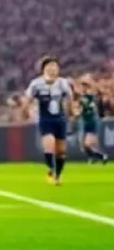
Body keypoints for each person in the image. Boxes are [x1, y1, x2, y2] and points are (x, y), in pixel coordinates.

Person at [26, 56, 74, 185]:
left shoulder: (62, 83)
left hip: (60, 119)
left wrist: (71, 112)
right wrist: (26, 111)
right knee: (49, 146)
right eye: (49, 67)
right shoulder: (36, 84)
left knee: (61, 151)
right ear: (43, 69)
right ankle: (52, 171)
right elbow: (28, 98)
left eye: (55, 67)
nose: (53, 69)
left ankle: (57, 174)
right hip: (45, 119)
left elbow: (69, 98)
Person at [75, 79, 108, 164]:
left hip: (92, 121)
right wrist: (78, 112)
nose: (82, 88)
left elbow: (92, 107)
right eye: (81, 87)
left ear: (88, 87)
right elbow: (79, 109)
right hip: (84, 121)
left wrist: (82, 111)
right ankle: (94, 157)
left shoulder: (91, 97)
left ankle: (101, 156)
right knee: (83, 145)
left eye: (84, 87)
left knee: (88, 143)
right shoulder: (81, 98)